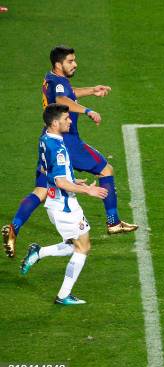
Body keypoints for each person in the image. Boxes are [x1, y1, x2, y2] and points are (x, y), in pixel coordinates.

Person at [2, 45, 137, 258]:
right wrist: (88, 110)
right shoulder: (57, 83)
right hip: (68, 143)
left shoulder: (52, 79)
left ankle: (14, 228)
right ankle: (113, 222)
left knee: (42, 190)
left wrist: (92, 90)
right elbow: (63, 100)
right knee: (106, 169)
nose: (75, 64)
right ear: (59, 64)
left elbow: (69, 94)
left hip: (48, 140)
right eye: (70, 61)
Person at [20, 104, 108, 305]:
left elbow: (49, 171)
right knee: (82, 247)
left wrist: (73, 180)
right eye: (66, 118)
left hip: (55, 201)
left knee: (74, 245)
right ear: (54, 122)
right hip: (65, 205)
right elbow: (60, 181)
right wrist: (88, 190)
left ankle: (38, 252)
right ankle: (63, 295)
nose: (70, 121)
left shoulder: (46, 139)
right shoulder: (58, 147)